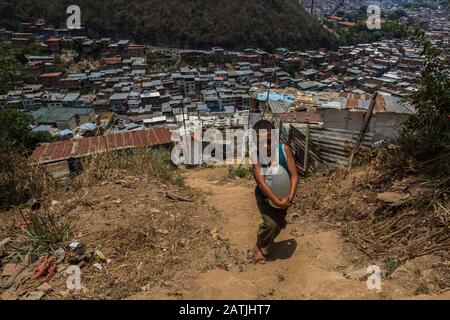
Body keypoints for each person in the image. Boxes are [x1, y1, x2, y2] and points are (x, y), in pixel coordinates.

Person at [252, 120, 299, 263]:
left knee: (278, 225)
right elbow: (261, 182)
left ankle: (265, 242)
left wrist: (288, 199)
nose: (266, 146)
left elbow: (294, 176)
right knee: (270, 224)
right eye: (261, 143)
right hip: (265, 197)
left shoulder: (284, 150)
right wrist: (276, 201)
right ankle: (260, 248)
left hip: (283, 196)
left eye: (269, 140)